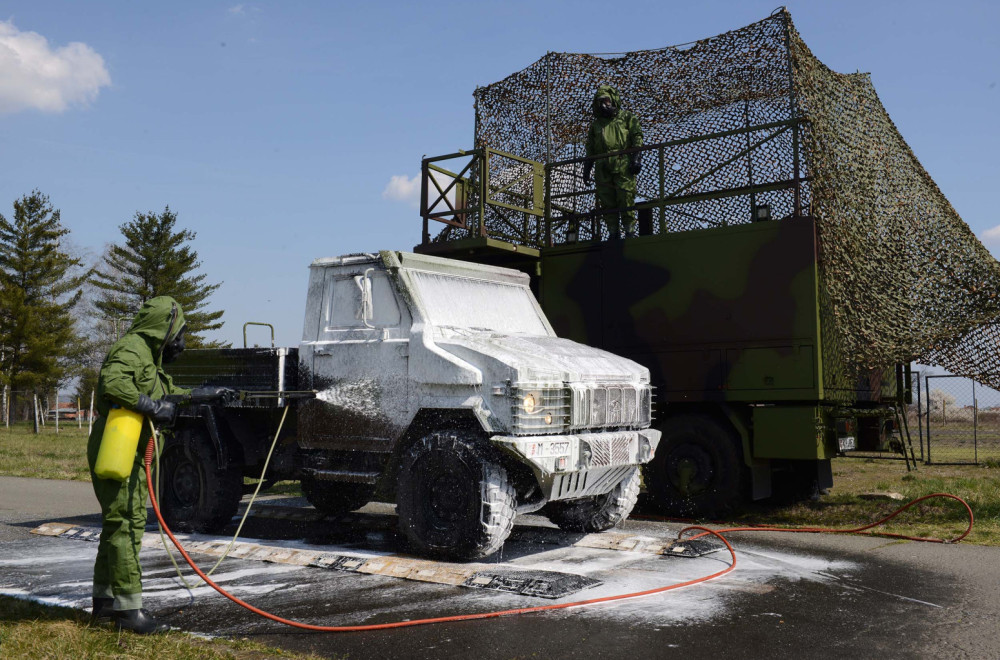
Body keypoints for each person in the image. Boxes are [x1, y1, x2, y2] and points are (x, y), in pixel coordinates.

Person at [87, 296, 188, 634]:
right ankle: (130, 611)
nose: (182, 342)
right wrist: (152, 408)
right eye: (180, 333)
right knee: (123, 524)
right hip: (118, 445)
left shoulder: (148, 357)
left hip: (131, 446)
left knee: (120, 523)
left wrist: (210, 395)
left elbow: (169, 394)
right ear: (166, 325)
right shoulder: (132, 348)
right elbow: (114, 385)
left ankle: (104, 604)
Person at [583, 85, 644, 239]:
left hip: (622, 163)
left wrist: (636, 158)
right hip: (602, 166)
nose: (604, 104)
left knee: (625, 196)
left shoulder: (627, 117)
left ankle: (629, 230)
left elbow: (637, 137)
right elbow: (590, 147)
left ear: (613, 100)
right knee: (606, 200)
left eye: (606, 100)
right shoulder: (596, 125)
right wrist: (587, 168)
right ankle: (613, 232)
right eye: (600, 101)